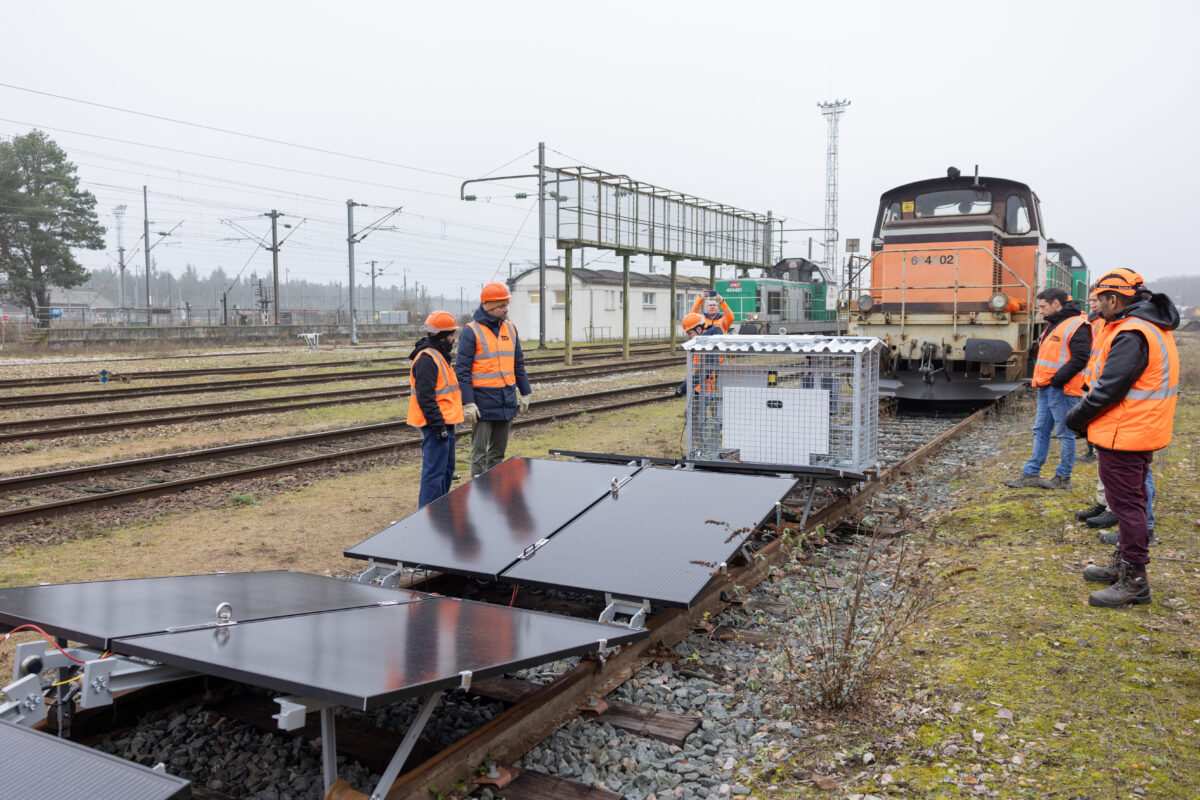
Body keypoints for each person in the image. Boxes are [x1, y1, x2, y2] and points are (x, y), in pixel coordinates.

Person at [1065, 269, 1179, 608]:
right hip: (1134, 430)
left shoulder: (1132, 333)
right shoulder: (1148, 327)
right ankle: (1123, 566)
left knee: (1128, 508)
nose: (1097, 307)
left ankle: (1135, 581)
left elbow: (1108, 389)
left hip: (1124, 433)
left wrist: (1076, 420)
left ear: (1114, 299)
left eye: (1100, 300)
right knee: (1130, 503)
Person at [1006, 288, 1091, 489]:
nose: (1040, 311)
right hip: (1047, 387)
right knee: (1041, 430)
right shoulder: (1054, 324)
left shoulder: (1078, 325)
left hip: (1063, 389)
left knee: (1065, 433)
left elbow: (1080, 358)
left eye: (1043, 307)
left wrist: (1057, 380)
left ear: (1056, 304)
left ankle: (1063, 478)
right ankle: (1031, 474)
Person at [455, 282, 532, 478]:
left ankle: (494, 488)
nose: (505, 309)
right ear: (488, 306)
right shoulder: (471, 331)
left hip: (506, 399)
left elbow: (518, 364)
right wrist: (468, 402)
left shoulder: (511, 329)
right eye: (501, 306)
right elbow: (462, 371)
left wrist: (525, 392)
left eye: (506, 305)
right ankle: (477, 491)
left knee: (498, 454)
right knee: (479, 455)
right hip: (482, 402)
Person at [407, 311, 464, 508]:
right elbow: (426, 398)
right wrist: (438, 425)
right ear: (442, 336)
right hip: (435, 425)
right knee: (434, 473)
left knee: (446, 470)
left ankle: (439, 511)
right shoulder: (427, 359)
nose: (453, 340)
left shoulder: (438, 355)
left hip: (445, 423)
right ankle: (427, 517)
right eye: (451, 335)